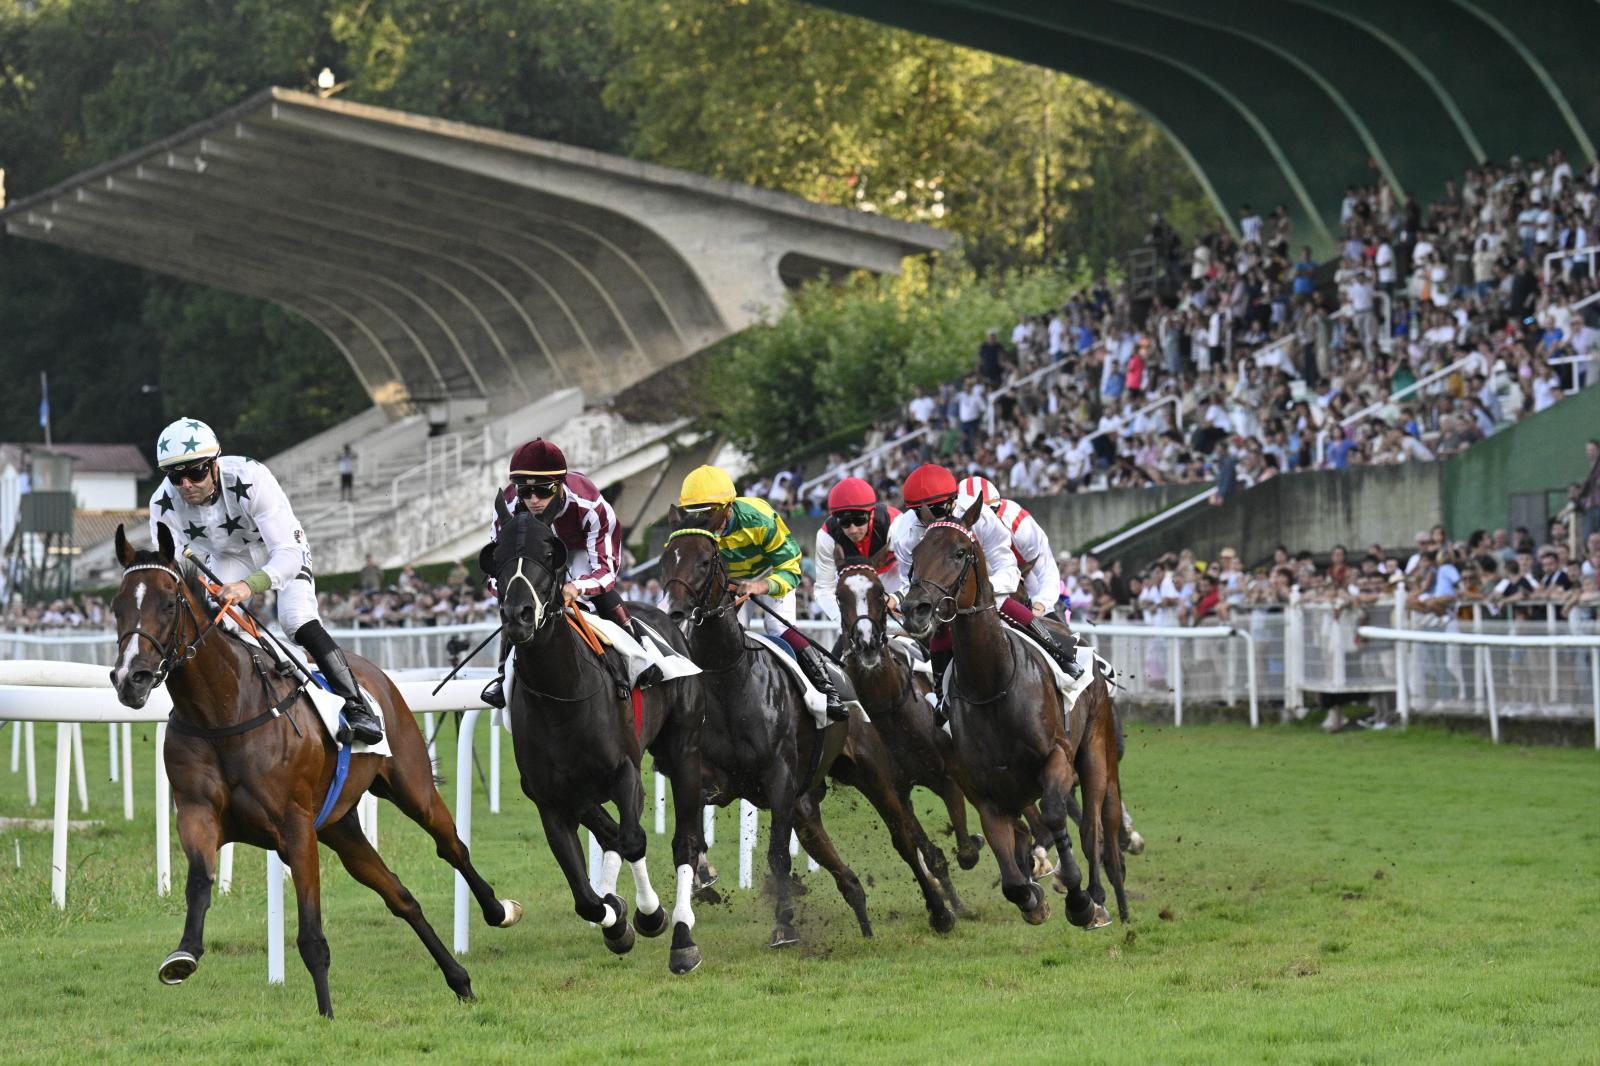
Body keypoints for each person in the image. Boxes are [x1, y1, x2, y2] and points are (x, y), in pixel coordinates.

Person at [148, 416, 383, 744]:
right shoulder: (162, 504)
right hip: (228, 557)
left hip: (279, 548)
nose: (186, 484)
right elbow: (173, 572)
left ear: (214, 464)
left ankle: (357, 706)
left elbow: (287, 554)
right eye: (176, 476)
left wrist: (248, 586)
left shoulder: (250, 477)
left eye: (196, 473)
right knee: (216, 626)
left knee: (296, 620)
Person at [479, 438, 657, 709]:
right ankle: (503, 674)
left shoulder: (589, 504)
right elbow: (497, 567)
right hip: (535, 557)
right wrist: (510, 589)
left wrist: (577, 587)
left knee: (595, 592)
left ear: (560, 484)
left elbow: (606, 570)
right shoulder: (509, 506)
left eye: (543, 490)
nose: (533, 500)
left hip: (581, 550)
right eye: (525, 491)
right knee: (516, 600)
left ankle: (637, 653)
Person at [889, 464, 1082, 694]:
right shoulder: (905, 534)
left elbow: (1008, 567)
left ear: (953, 501)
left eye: (939, 508)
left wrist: (983, 591)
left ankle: (1060, 654)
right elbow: (909, 581)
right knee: (939, 626)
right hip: (945, 588)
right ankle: (940, 694)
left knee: (1004, 604)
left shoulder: (984, 517)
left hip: (995, 580)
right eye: (921, 513)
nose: (932, 518)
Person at [675, 465, 846, 721]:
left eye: (708, 512)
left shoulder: (759, 518)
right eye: (695, 513)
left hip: (770, 572)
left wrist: (760, 586)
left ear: (728, 506)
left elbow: (790, 567)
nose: (702, 520)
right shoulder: (695, 530)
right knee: (714, 634)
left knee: (777, 627)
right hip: (729, 582)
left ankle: (826, 688)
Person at [956, 475, 1065, 623]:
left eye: (992, 511)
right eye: (979, 516)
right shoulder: (954, 526)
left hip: (1027, 582)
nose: (988, 521)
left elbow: (1046, 570)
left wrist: (1041, 604)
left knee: (1044, 622)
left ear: (999, 505)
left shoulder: (1019, 523)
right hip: (986, 587)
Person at [812, 476, 901, 624]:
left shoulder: (895, 524)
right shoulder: (826, 536)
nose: (853, 530)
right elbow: (824, 589)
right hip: (854, 582)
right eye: (844, 522)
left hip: (894, 574)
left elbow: (916, 573)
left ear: (871, 513)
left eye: (859, 520)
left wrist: (896, 598)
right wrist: (846, 621)